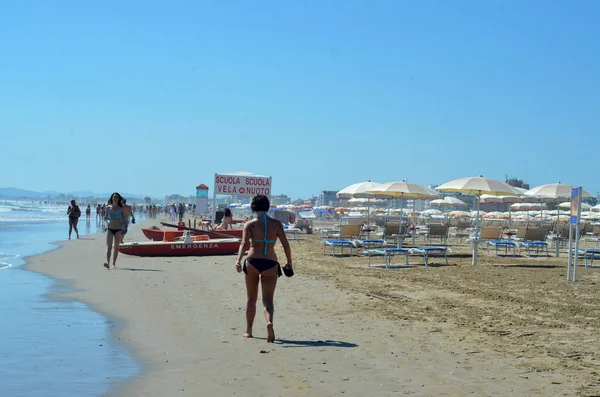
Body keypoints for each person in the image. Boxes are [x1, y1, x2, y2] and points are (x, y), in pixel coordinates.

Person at [235, 195, 293, 343]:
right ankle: (269, 322)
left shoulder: (250, 224)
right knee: (268, 300)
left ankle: (249, 331)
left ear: (253, 207)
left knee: (251, 299)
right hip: (271, 263)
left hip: (253, 261)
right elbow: (286, 245)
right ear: (267, 207)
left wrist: (238, 260)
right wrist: (289, 263)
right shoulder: (276, 224)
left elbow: (244, 244)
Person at [103, 192, 134, 269]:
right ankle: (107, 262)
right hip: (109, 228)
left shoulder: (121, 209)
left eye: (117, 197)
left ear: (118, 198)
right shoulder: (107, 208)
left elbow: (123, 219)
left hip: (118, 229)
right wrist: (105, 220)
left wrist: (125, 228)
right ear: (112, 198)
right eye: (114, 197)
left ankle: (113, 264)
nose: (115, 198)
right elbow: (106, 218)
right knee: (108, 246)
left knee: (116, 247)